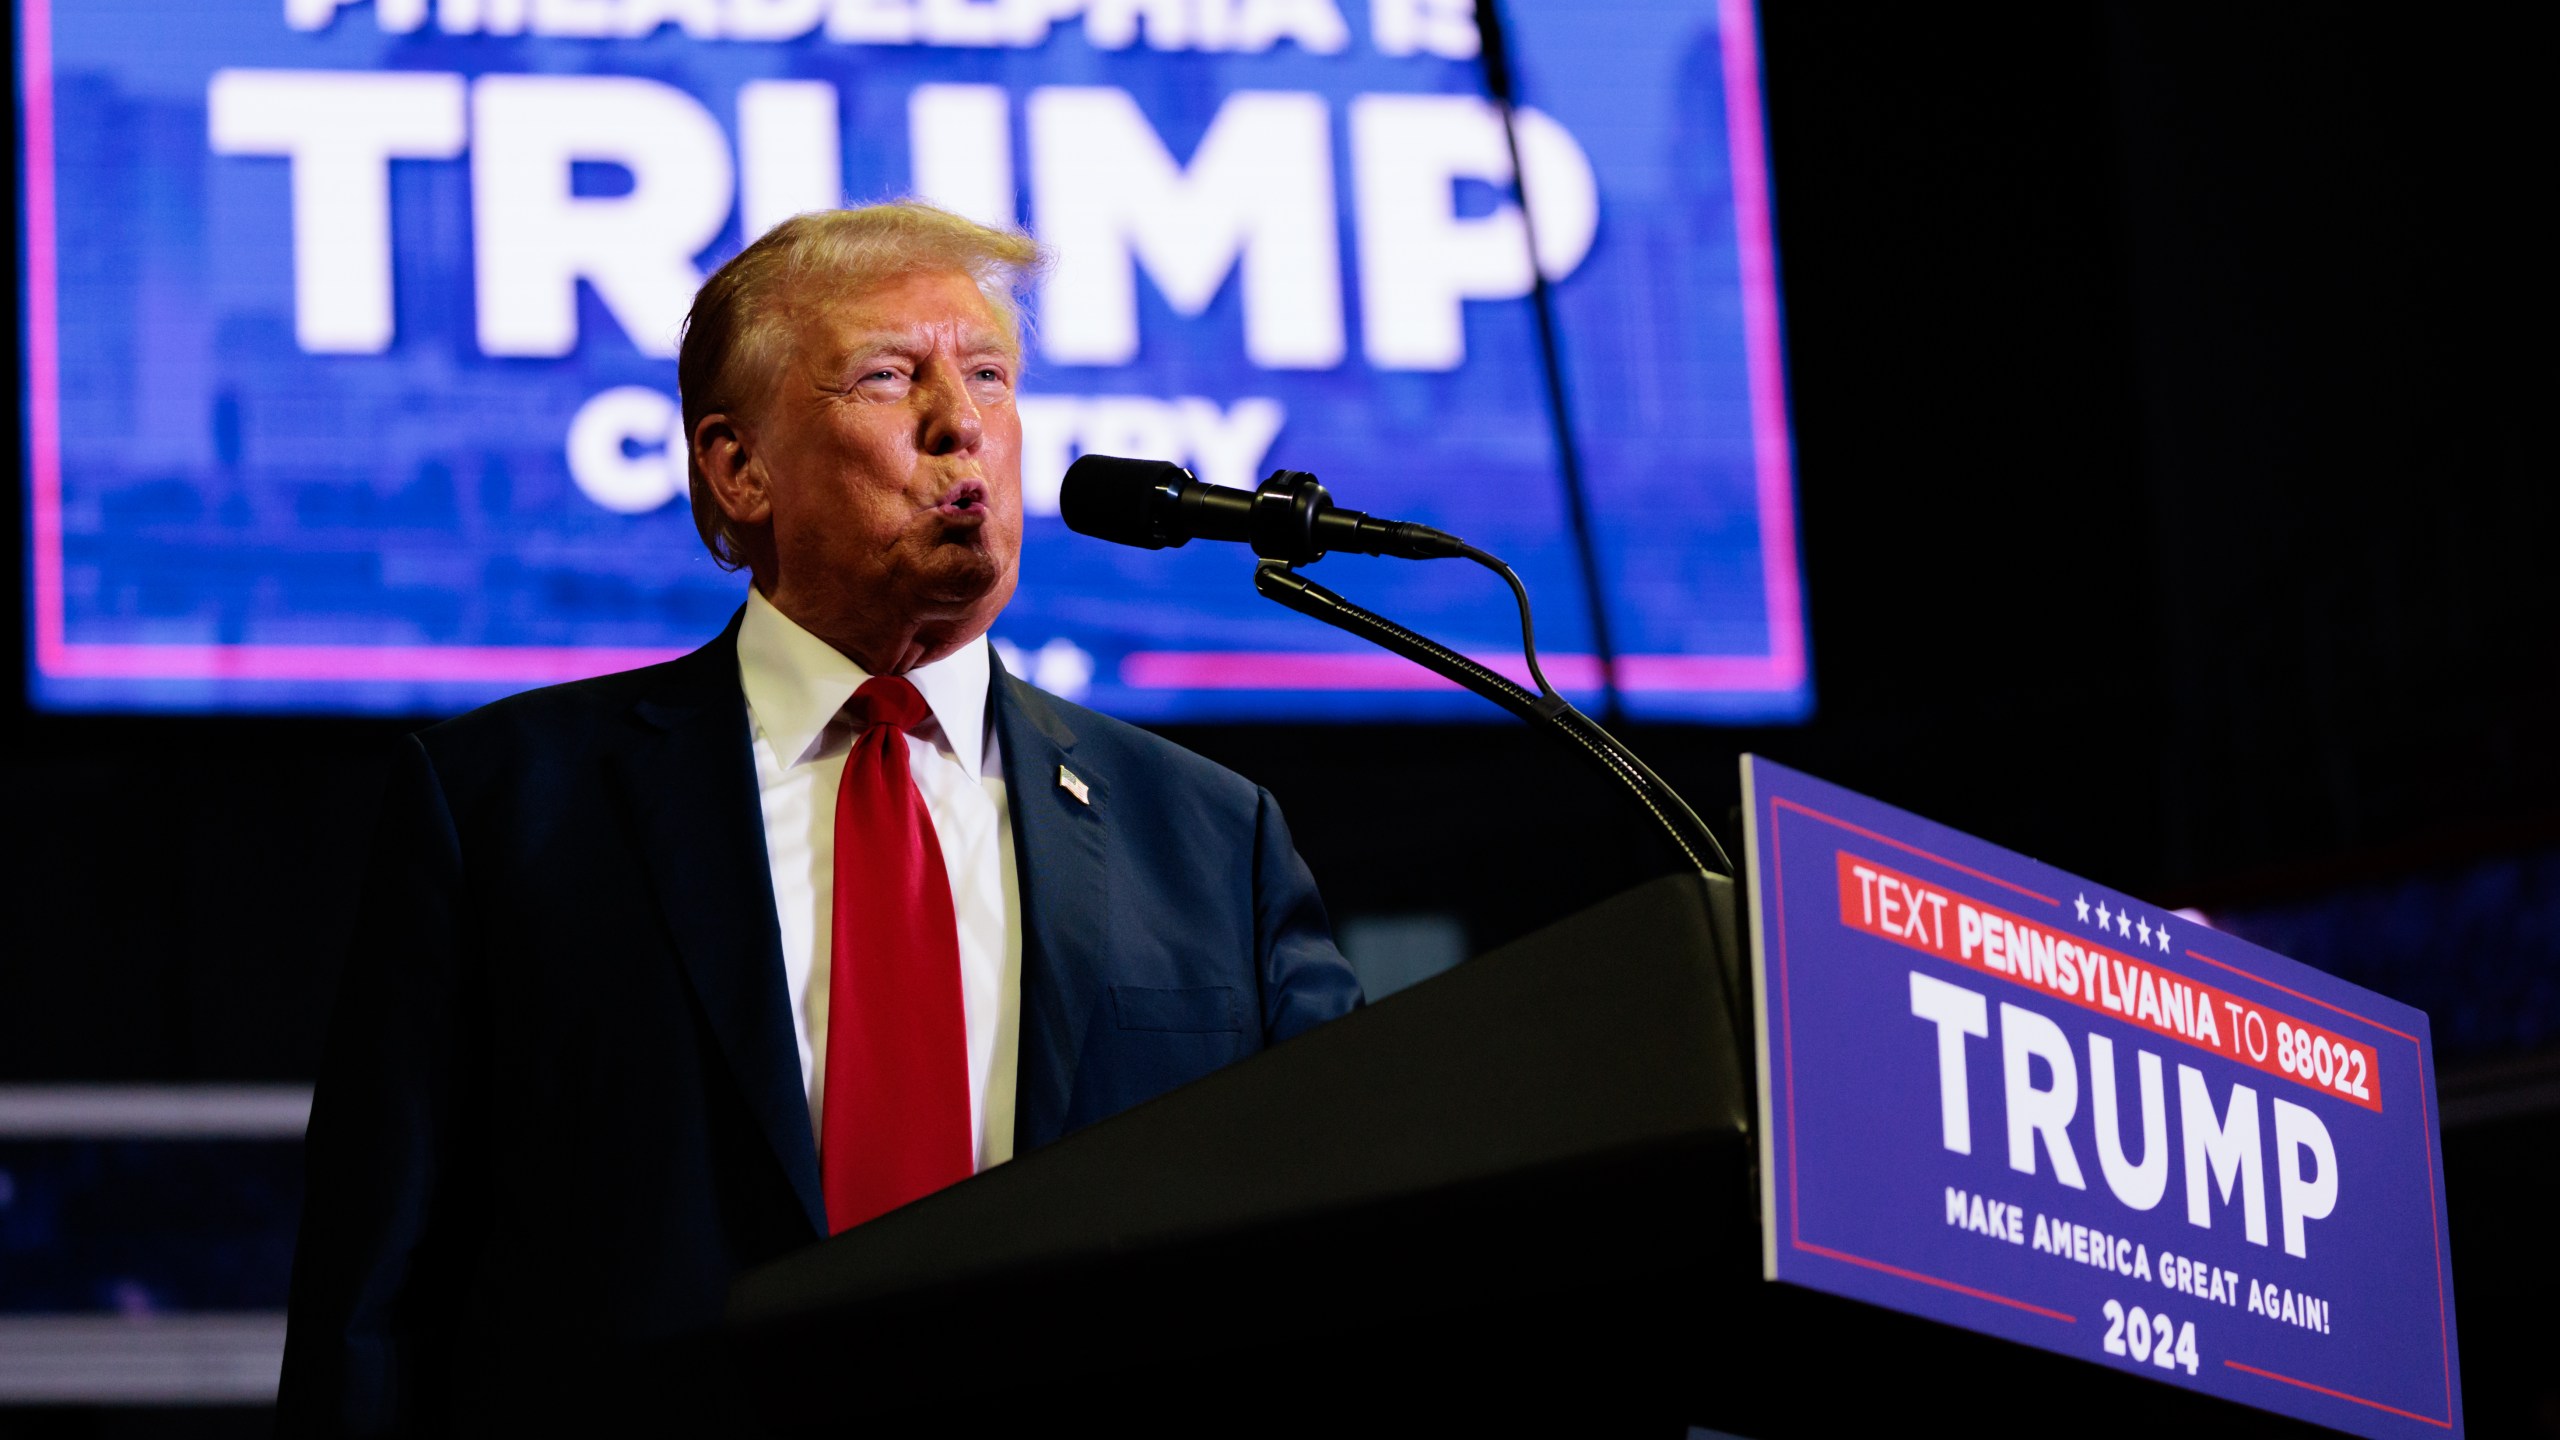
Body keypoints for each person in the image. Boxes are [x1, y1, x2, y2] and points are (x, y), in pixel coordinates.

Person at [276, 202, 1362, 1434]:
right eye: (890, 377)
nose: (964, 424)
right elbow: (369, 1311)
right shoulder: (505, 812)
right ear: (738, 470)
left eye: (991, 376)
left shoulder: (1210, 838)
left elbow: (1356, 1232)